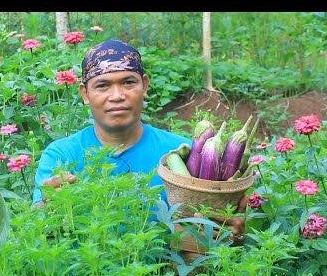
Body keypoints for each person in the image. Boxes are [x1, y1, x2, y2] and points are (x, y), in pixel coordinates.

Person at [32, 39, 247, 247]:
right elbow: (34, 229)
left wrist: (232, 231)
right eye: (102, 85)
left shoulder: (185, 155)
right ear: (84, 94)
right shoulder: (62, 154)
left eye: (128, 82)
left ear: (144, 86)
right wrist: (46, 206)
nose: (117, 96)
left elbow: (222, 236)